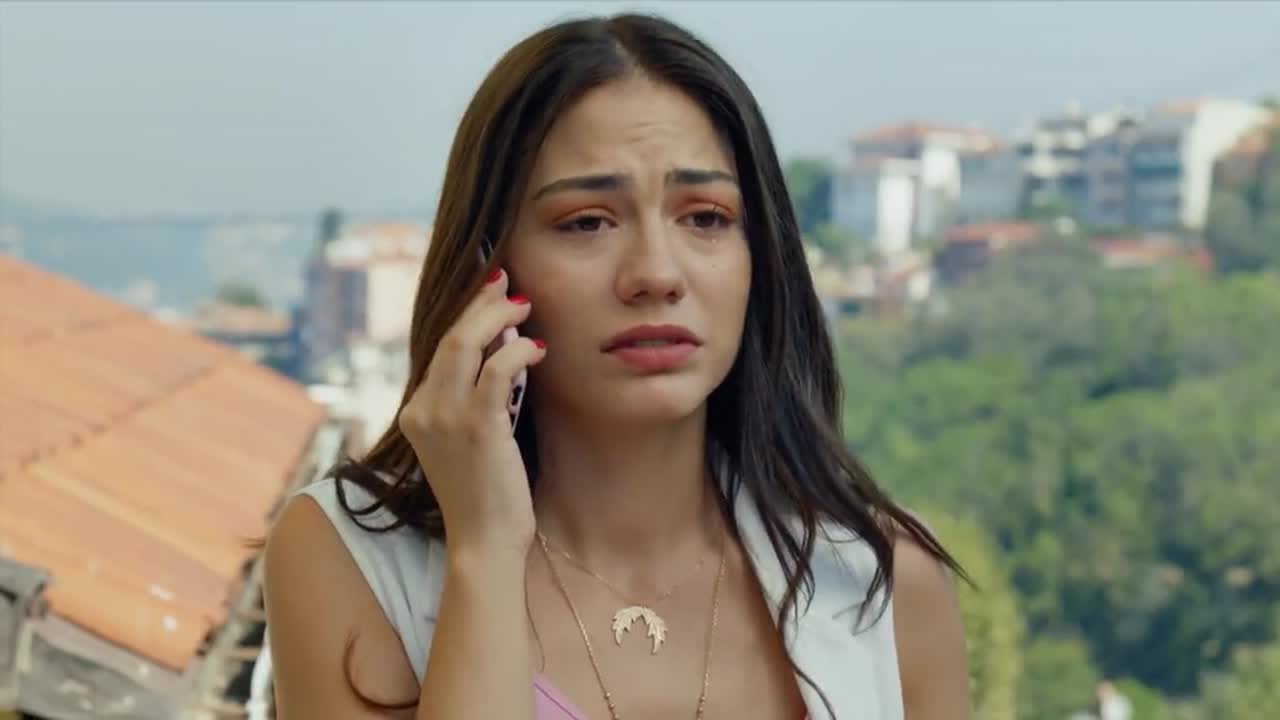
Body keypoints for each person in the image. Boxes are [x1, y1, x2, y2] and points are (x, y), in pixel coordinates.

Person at [263, 12, 970, 720]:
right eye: (587, 222)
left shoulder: (883, 585)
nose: (656, 274)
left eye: (706, 217)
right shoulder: (349, 559)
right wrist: (485, 552)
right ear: (487, 268)